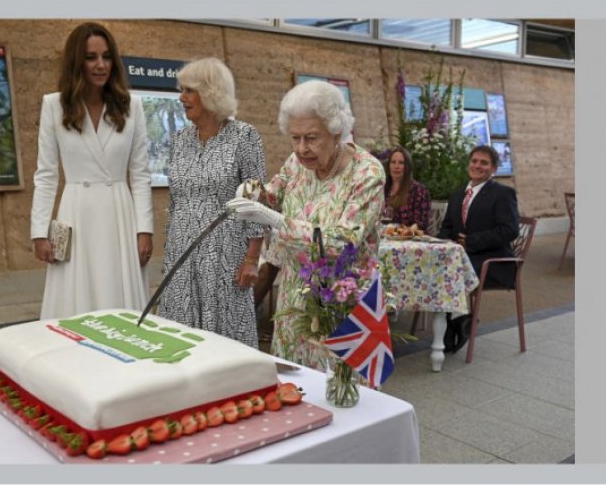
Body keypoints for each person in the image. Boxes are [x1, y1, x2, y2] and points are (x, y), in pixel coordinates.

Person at [227, 80, 385, 370]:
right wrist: (251, 191)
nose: (301, 149)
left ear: (336, 131)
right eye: (295, 138)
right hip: (295, 296)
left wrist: (274, 220)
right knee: (295, 384)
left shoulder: (367, 172)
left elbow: (343, 241)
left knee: (343, 392)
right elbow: (272, 194)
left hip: (342, 299)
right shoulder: (296, 162)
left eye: (311, 138)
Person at [30, 22, 153, 320]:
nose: (101, 65)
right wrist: (39, 231)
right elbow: (46, 175)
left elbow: (140, 174)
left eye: (107, 57)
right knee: (75, 302)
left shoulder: (131, 106)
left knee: (120, 297)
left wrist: (144, 229)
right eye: (91, 57)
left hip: (119, 214)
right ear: (77, 62)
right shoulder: (54, 106)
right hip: (76, 213)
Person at [157, 57, 267, 348]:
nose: (182, 98)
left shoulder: (244, 136)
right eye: (182, 90)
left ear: (211, 92)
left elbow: (255, 199)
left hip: (225, 255)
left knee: (225, 339)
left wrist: (252, 258)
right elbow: (176, 200)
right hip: (182, 253)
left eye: (189, 90)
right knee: (180, 337)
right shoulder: (180, 139)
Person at [438, 144, 520, 352]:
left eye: (484, 163)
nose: (477, 166)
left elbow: (510, 230)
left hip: (493, 263)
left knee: (450, 273)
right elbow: (446, 227)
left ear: (493, 169)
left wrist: (471, 241)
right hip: (462, 260)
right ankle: (457, 320)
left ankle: (453, 324)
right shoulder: (458, 196)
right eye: (474, 161)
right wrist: (447, 242)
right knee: (435, 268)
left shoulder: (503, 194)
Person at [384, 147, 431, 231]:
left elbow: (421, 223)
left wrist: (405, 232)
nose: (396, 166)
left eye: (401, 163)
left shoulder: (419, 190)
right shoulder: (383, 189)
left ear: (408, 167)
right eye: (393, 162)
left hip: (410, 239)